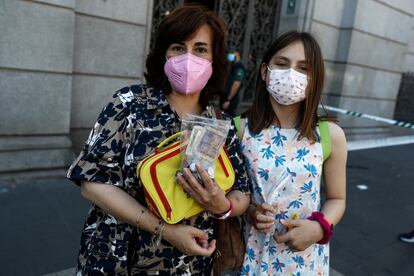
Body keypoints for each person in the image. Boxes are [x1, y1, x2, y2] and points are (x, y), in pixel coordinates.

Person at [66, 5, 250, 275]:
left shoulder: (220, 123)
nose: (188, 58)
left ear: (214, 59)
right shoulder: (129, 104)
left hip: (192, 265)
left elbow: (242, 192)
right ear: (164, 53)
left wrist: (222, 206)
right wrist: (165, 230)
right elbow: (92, 183)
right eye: (178, 47)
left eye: (200, 49)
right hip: (118, 259)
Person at [237, 31, 347, 275]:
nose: (291, 74)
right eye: (282, 64)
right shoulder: (239, 128)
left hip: (305, 261)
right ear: (265, 72)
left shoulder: (331, 135)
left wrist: (319, 228)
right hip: (250, 254)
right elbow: (230, 195)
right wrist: (251, 212)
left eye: (303, 68)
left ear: (314, 79)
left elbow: (337, 199)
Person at [220, 51, 246, 116]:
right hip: (226, 95)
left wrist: (228, 99)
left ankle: (235, 126)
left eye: (234, 56)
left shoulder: (239, 67)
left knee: (229, 117)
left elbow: (236, 84)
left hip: (231, 97)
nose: (231, 57)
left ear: (238, 57)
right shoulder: (232, 66)